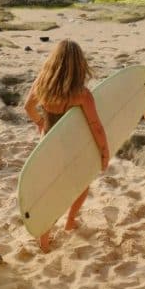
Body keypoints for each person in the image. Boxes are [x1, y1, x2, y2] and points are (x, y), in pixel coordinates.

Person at [24, 40, 110, 253]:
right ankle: (70, 221)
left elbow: (28, 107)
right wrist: (104, 152)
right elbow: (96, 126)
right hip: (71, 148)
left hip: (47, 146)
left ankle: (44, 241)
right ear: (80, 64)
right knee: (82, 183)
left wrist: (40, 122)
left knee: (50, 192)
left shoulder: (42, 85)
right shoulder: (81, 94)